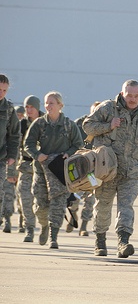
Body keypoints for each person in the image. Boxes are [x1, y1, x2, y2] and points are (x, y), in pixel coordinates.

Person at [83, 80, 138, 258]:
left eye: (136, 96)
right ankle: (100, 241)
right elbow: (87, 125)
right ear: (122, 94)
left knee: (126, 207)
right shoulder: (108, 108)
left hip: (132, 171)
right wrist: (108, 126)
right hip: (106, 170)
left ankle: (123, 242)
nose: (132, 99)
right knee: (103, 206)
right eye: (129, 95)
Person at [24, 91, 83, 249]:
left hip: (59, 171)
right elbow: (28, 144)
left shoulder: (69, 125)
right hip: (41, 171)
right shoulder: (39, 124)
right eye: (46, 103)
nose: (48, 106)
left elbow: (78, 144)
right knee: (41, 205)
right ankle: (44, 226)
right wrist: (37, 155)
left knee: (58, 204)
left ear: (60, 105)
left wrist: (67, 154)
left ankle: (53, 236)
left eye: (51, 103)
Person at [66, 101, 101, 236]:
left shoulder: (103, 126)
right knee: (75, 195)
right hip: (79, 168)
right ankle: (73, 215)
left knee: (90, 197)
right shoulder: (79, 124)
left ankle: (84, 226)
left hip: (93, 170)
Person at [18, 95, 44, 242]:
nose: (28, 110)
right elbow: (15, 146)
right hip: (26, 166)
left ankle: (44, 227)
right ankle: (29, 229)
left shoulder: (45, 122)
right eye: (26, 107)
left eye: (31, 107)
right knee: (25, 199)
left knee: (41, 201)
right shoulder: (21, 124)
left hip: (42, 168)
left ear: (37, 107)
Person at [0, 74, 21, 234]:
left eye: (4, 90)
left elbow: (14, 135)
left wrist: (12, 155)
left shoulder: (8, 109)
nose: (1, 93)